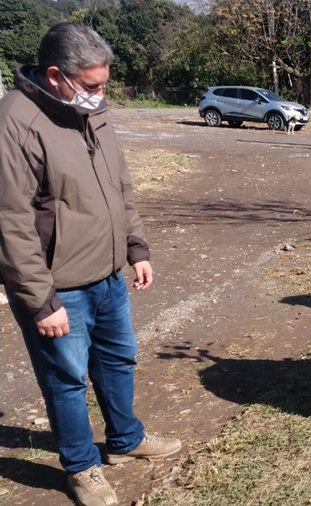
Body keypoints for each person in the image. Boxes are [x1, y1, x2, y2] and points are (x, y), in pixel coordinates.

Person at [0, 23, 181, 505]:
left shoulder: (92, 111)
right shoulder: (14, 122)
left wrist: (135, 247)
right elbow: (10, 222)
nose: (101, 96)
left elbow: (120, 186)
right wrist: (41, 302)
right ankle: (81, 466)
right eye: (93, 86)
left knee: (120, 361)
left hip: (107, 275)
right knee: (65, 380)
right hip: (59, 291)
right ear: (56, 75)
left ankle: (125, 440)